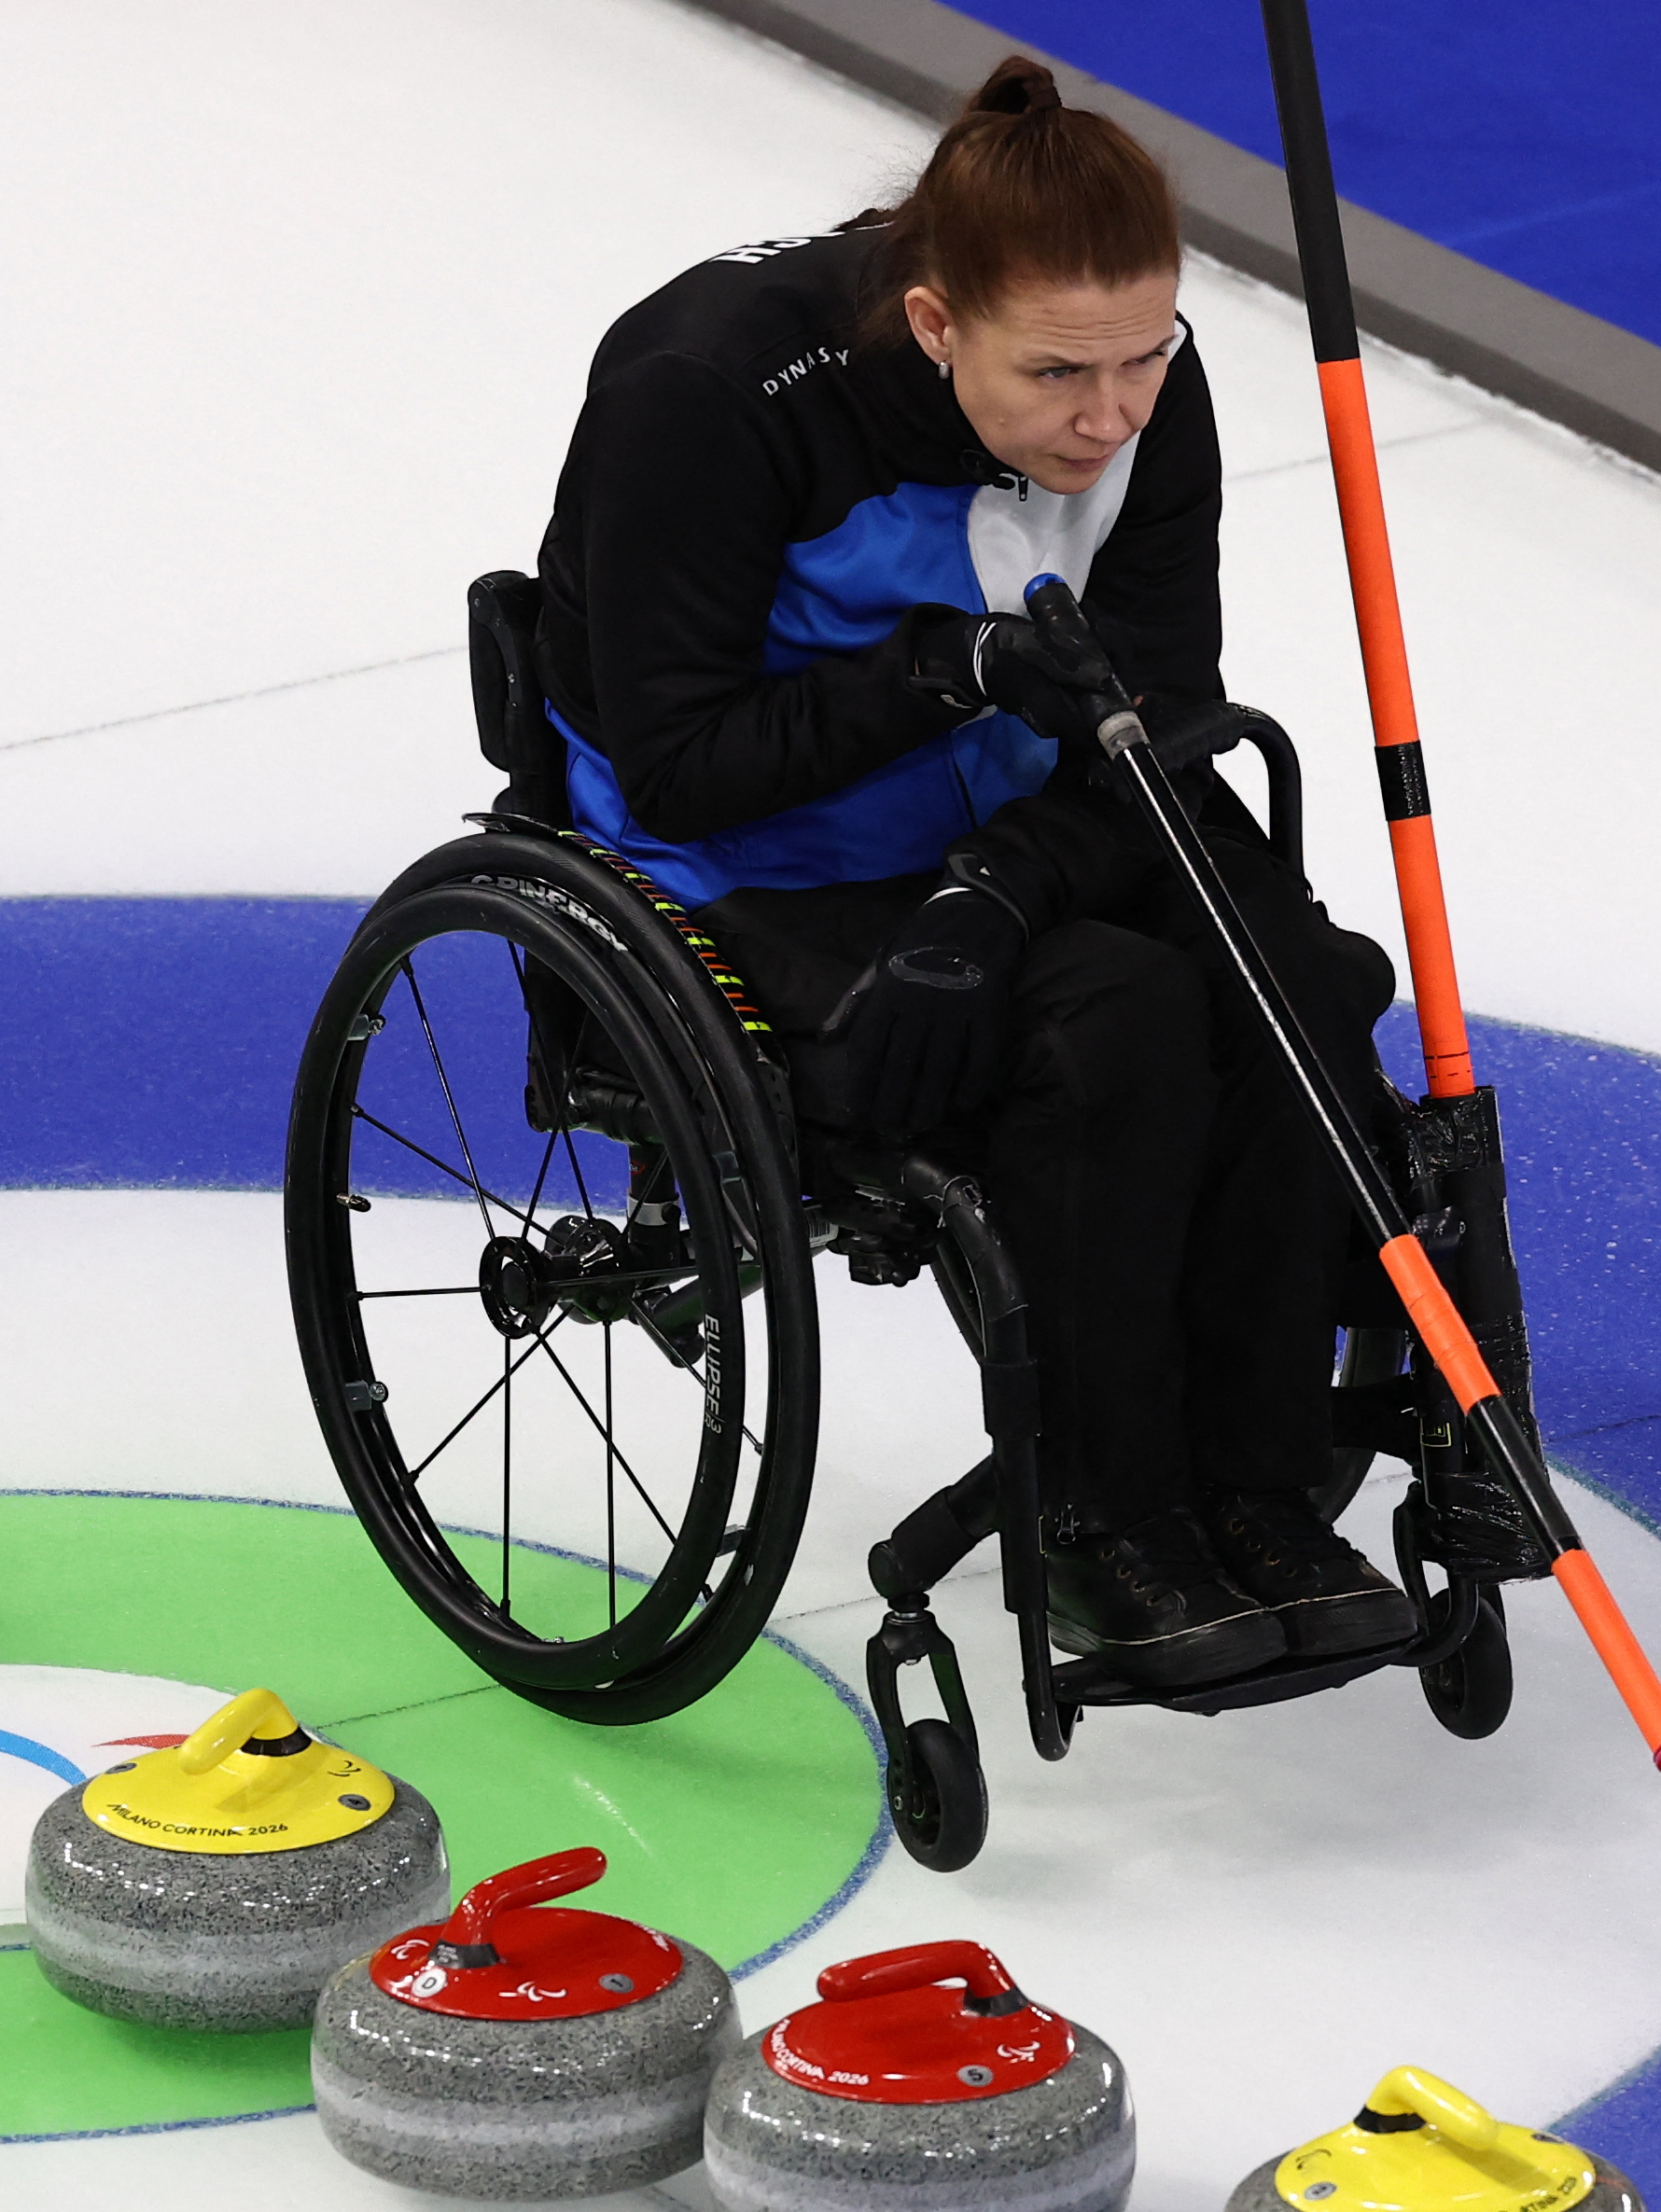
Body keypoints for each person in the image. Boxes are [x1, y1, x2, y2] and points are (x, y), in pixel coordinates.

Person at [532, 58, 1414, 1690]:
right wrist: (950, 670)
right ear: (937, 326)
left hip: (1025, 814)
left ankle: (1266, 1484)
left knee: (1296, 984)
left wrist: (1002, 882)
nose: (1113, 413)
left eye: (1147, 356)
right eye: (1061, 372)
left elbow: (1152, 708)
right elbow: (682, 763)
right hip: (756, 855)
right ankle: (1104, 1513)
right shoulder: (711, 393)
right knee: (1113, 1027)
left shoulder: (1148, 389)